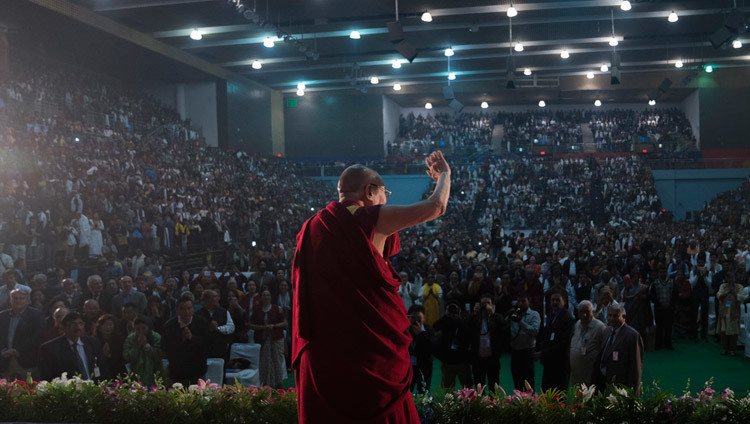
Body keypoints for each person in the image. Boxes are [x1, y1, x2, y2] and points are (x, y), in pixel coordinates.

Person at [291, 151, 450, 423]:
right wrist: (445, 175)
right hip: (366, 355)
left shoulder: (312, 226)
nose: (386, 199)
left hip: (324, 354)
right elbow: (436, 206)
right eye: (385, 192)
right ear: (369, 192)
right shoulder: (365, 218)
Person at [592, 304, 644, 394]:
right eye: (610, 315)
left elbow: (635, 367)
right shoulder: (607, 331)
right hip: (603, 383)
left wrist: (632, 393)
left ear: (623, 317)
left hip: (620, 387)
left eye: (616, 316)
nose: (612, 319)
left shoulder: (632, 336)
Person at [39, 311, 103, 381]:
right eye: (73, 324)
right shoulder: (50, 348)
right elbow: (47, 376)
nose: (78, 327)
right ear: (64, 327)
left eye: (80, 323)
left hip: (94, 387)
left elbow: (102, 367)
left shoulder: (93, 342)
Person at [162, 295, 209, 386]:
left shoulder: (201, 322)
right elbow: (165, 347)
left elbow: (208, 343)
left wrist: (192, 338)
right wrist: (181, 340)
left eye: (189, 308)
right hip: (178, 371)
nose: (186, 312)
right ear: (177, 310)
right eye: (183, 309)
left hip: (198, 369)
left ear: (193, 308)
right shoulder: (169, 326)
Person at [0, 289, 46, 379]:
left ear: (27, 301)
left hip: (26, 362)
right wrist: (2, 350)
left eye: (21, 298)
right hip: (4, 361)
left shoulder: (36, 315)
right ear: (10, 300)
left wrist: (17, 350)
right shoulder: (2, 316)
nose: (18, 301)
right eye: (15, 298)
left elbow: (38, 336)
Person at [537, 291, 575, 393]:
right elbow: (546, 336)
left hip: (560, 363)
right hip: (549, 362)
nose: (554, 302)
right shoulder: (550, 314)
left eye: (558, 300)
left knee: (559, 394)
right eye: (552, 300)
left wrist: (542, 354)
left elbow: (563, 344)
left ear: (564, 301)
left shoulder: (568, 319)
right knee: (546, 392)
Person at [467, 294, 507, 392]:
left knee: (494, 385)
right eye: (483, 304)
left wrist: (493, 314)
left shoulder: (497, 317)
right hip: (478, 358)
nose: (485, 306)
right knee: (479, 386)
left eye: (488, 303)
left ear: (492, 305)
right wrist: (474, 313)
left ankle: (493, 405)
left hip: (492, 358)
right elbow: (467, 329)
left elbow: (504, 328)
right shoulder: (474, 318)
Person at [249, 289, 287, 388]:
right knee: (265, 362)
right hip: (262, 339)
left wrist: (273, 326)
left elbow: (284, 323)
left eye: (268, 295)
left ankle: (278, 383)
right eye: (264, 295)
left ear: (271, 297)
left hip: (276, 338)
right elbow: (250, 324)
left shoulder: (276, 308)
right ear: (261, 297)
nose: (266, 297)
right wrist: (263, 328)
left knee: (277, 361)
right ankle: (265, 383)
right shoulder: (257, 310)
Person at [432, 302, 472, 390]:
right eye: (450, 309)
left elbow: (468, 333)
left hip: (462, 359)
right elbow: (434, 327)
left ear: (460, 310)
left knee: (467, 387)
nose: (453, 311)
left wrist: (458, 319)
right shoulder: (445, 320)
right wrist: (446, 316)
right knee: (447, 388)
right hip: (447, 360)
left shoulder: (464, 320)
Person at [569, 300, 605, 387]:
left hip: (591, 374)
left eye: (587, 312)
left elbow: (605, 349)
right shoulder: (577, 324)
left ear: (593, 312)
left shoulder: (600, 327)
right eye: (581, 312)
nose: (584, 315)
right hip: (576, 374)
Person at [509, 292, 540, 391]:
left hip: (528, 351)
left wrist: (520, 321)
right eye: (519, 301)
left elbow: (534, 331)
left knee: (528, 382)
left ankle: (530, 403)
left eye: (523, 301)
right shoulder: (514, 313)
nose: (521, 303)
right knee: (517, 380)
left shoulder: (534, 314)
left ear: (528, 301)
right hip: (515, 351)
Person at [123, 318, 164, 387]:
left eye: (143, 328)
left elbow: (161, 354)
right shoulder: (130, 339)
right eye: (138, 329)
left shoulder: (156, 337)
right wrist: (138, 346)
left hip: (155, 373)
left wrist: (149, 348)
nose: (141, 331)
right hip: (136, 374)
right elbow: (127, 356)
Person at [196, 289, 235, 359]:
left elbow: (231, 327)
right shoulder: (198, 314)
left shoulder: (224, 311)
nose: (218, 299)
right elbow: (196, 331)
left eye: (217, 296)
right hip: (204, 350)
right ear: (206, 300)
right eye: (214, 297)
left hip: (220, 349)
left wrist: (218, 329)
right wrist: (208, 328)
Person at [716, 271, 747, 356]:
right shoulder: (723, 286)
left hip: (734, 312)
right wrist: (727, 292)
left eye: (732, 278)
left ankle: (732, 349)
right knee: (723, 331)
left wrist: (733, 292)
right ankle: (724, 348)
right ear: (726, 278)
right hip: (724, 311)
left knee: (734, 332)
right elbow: (718, 295)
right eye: (729, 278)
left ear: (735, 278)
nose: (731, 280)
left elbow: (742, 297)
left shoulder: (739, 287)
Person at [407, 305, 435, 394]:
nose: (416, 320)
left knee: (424, 393)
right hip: (408, 367)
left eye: (418, 317)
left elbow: (431, 348)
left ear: (424, 317)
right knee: (406, 392)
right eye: (413, 317)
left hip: (424, 367)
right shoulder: (405, 330)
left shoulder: (428, 330)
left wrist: (420, 334)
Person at [93, 314, 125, 379]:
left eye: (110, 325)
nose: (108, 327)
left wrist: (110, 356)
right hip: (101, 373)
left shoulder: (120, 340)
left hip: (118, 373)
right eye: (105, 325)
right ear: (99, 327)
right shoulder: (94, 341)